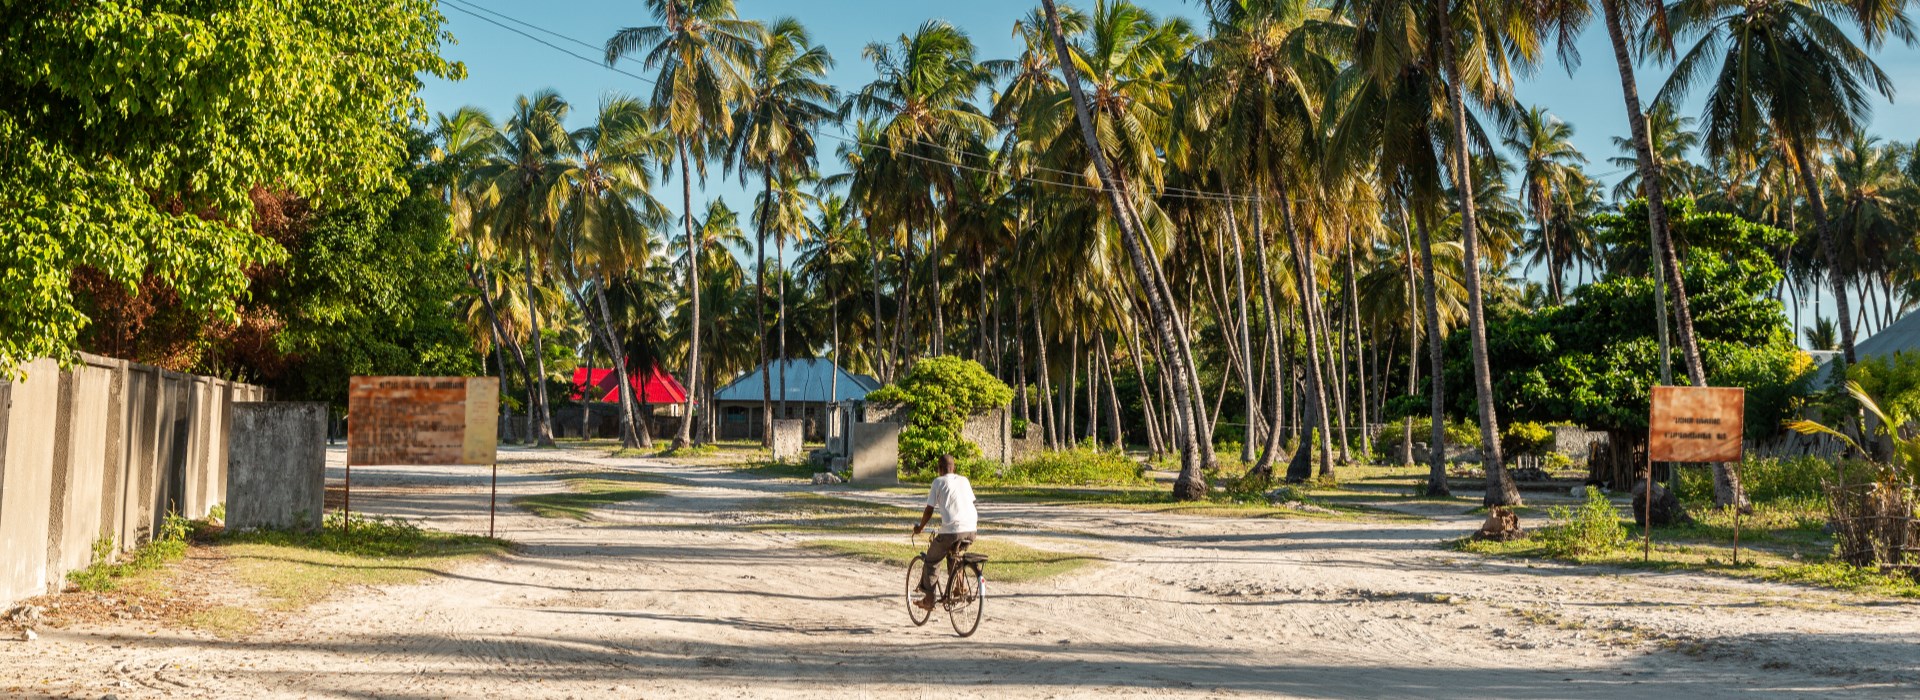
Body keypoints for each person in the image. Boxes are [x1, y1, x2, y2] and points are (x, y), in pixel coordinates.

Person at [911, 454, 977, 609]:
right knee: (954, 553)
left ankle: (929, 600)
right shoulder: (964, 480)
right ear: (954, 468)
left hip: (951, 532)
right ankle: (958, 586)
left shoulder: (938, 482)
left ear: (939, 469)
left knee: (931, 560)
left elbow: (929, 510)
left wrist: (920, 528)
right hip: (971, 530)